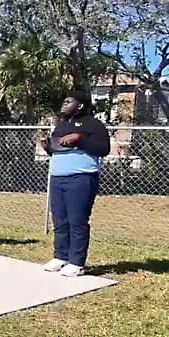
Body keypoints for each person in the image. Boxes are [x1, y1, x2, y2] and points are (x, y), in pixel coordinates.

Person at [41, 92, 111, 277]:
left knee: (77, 221)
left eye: (68, 101)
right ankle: (60, 256)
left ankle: (77, 262)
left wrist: (79, 138)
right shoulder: (61, 126)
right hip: (57, 177)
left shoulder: (93, 124)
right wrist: (47, 147)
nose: (63, 104)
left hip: (81, 178)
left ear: (80, 106)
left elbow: (103, 149)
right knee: (60, 220)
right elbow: (58, 151)